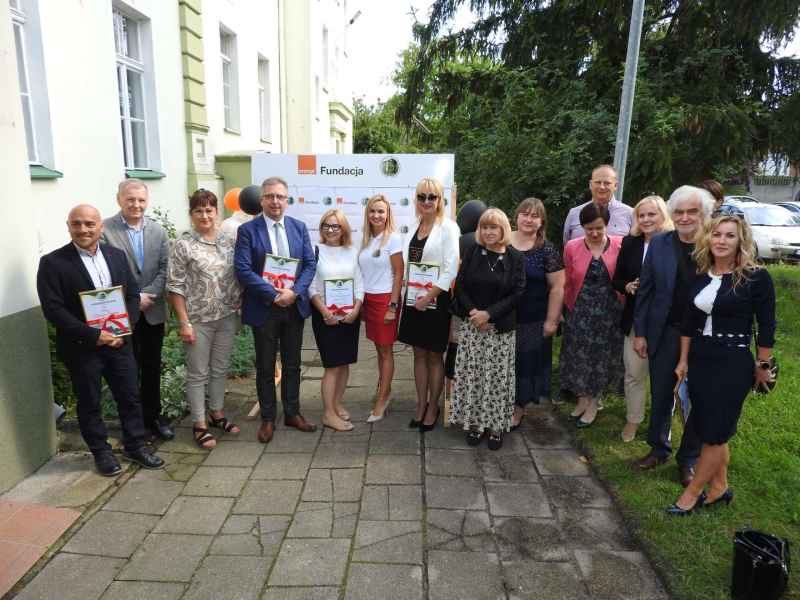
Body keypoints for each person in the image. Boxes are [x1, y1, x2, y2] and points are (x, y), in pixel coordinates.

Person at [37, 205, 165, 476]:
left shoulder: (116, 256)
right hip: (83, 348)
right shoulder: (53, 262)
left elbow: (131, 295)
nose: (83, 229)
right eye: (76, 224)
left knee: (130, 396)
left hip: (119, 343)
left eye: (89, 224)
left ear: (100, 227)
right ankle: (102, 453)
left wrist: (124, 327)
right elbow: (54, 309)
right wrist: (95, 335)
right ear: (69, 226)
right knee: (90, 401)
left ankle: (135, 445)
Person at [666, 214, 776, 515]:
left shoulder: (756, 277)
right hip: (701, 358)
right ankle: (720, 487)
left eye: (729, 236)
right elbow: (688, 323)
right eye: (717, 234)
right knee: (707, 425)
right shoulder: (701, 275)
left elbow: (767, 325)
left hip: (733, 361)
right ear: (708, 238)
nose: (722, 241)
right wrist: (684, 361)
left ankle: (691, 494)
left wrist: (763, 364)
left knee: (715, 433)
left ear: (741, 240)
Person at [632, 185, 715, 486]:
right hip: (664, 331)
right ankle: (658, 448)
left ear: (704, 214)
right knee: (662, 392)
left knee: (699, 397)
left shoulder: (715, 244)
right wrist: (640, 332)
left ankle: (688, 459)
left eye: (692, 211)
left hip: (704, 335)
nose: (684, 217)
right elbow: (646, 290)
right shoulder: (659, 244)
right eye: (678, 211)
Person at [234, 176, 318, 444]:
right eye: (270, 196)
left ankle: (292, 413)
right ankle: (268, 417)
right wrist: (273, 295)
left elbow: (309, 264)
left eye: (280, 196)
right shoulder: (248, 231)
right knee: (266, 365)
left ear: (287, 199)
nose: (275, 201)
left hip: (293, 306)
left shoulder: (299, 228)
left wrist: (293, 293)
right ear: (262, 200)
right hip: (264, 307)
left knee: (293, 364)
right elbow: (243, 269)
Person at [167, 190, 242, 449]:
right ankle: (199, 424)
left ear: (217, 212)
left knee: (220, 369)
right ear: (191, 215)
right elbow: (175, 286)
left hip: (227, 316)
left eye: (209, 210)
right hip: (198, 319)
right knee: (198, 373)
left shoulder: (228, 241)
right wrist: (184, 322)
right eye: (198, 211)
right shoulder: (183, 244)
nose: (205, 215)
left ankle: (217, 413)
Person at [101, 179, 174, 440]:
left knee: (152, 366)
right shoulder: (105, 230)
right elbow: (104, 273)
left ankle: (154, 417)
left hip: (152, 310)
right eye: (130, 199)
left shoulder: (158, 231)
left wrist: (148, 294)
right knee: (126, 370)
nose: (136, 205)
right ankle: (133, 424)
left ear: (147, 201)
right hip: (121, 313)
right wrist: (134, 299)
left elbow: (167, 269)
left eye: (141, 200)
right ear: (119, 199)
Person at [449, 209, 525, 449]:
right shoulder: (472, 251)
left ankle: (495, 427)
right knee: (474, 376)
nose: (489, 232)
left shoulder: (515, 258)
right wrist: (475, 314)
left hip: (500, 329)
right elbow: (460, 286)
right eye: (484, 227)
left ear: (504, 229)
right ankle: (474, 424)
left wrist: (489, 314)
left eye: (494, 227)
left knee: (497, 380)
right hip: (473, 328)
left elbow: (518, 293)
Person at [398, 177, 460, 431]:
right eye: (422, 196)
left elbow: (451, 268)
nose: (426, 201)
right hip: (414, 299)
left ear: (439, 200)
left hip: (436, 300)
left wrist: (429, 295)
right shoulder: (413, 226)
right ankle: (420, 404)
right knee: (418, 353)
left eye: (431, 197)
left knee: (435, 356)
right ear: (416, 199)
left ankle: (433, 407)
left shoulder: (448, 228)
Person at [611, 195, 674, 442]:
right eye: (642, 215)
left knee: (664, 378)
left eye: (652, 214)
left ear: (663, 216)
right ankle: (633, 420)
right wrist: (626, 286)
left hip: (667, 322)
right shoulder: (631, 243)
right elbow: (616, 278)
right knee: (634, 373)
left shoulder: (674, 243)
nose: (646, 219)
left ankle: (662, 427)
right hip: (636, 320)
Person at [559, 203, 624, 427]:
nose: (594, 233)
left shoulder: (620, 245)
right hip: (579, 310)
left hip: (610, 313)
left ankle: (594, 402)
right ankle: (582, 398)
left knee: (601, 359)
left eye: (599, 228)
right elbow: (566, 280)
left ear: (607, 224)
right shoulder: (572, 247)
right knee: (578, 357)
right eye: (589, 229)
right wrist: (561, 310)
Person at [510, 198, 564, 428]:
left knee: (525, 363)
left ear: (541, 222)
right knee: (505, 363)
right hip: (502, 315)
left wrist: (552, 320)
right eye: (525, 214)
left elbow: (558, 287)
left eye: (534, 216)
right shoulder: (502, 240)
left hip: (532, 318)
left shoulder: (547, 249)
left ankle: (517, 408)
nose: (529, 219)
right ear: (517, 216)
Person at [309, 209, 364, 431]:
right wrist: (324, 312)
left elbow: (360, 283)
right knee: (332, 366)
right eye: (326, 225)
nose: (331, 230)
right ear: (321, 228)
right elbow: (311, 286)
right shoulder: (314, 251)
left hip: (350, 316)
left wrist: (356, 309)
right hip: (325, 317)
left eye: (336, 226)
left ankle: (337, 403)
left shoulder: (352, 251)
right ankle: (328, 413)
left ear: (344, 229)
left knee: (344, 363)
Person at [358, 194, 403, 423]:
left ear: (388, 215)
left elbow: (398, 274)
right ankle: (383, 389)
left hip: (385, 300)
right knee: (379, 350)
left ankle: (383, 398)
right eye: (373, 211)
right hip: (369, 300)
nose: (376, 215)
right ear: (368, 214)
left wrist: (393, 306)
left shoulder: (392, 239)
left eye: (381, 211)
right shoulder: (366, 240)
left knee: (386, 351)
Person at [563, 164, 634, 243]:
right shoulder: (574, 213)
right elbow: (567, 248)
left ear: (616, 185)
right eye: (598, 182)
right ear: (590, 184)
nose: (602, 187)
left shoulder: (630, 214)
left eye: (607, 183)